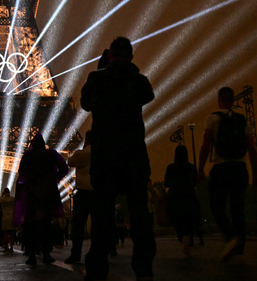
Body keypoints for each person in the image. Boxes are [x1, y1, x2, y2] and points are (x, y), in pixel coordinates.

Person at [81, 37, 156, 281]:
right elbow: (147, 96)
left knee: (102, 214)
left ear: (110, 55)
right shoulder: (139, 81)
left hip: (105, 156)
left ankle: (97, 267)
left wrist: (103, 69)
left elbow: (84, 103)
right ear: (131, 57)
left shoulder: (97, 78)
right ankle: (144, 267)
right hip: (133, 154)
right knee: (140, 212)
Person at [197, 86, 257, 263]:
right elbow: (252, 149)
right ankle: (239, 246)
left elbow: (205, 146)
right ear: (233, 101)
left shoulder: (212, 119)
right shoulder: (242, 120)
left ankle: (231, 236)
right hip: (240, 168)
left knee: (217, 206)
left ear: (219, 100)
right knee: (237, 208)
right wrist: (256, 175)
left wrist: (200, 169)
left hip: (221, 166)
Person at [13, 134, 69, 265]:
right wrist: (55, 178)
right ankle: (46, 254)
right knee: (46, 224)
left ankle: (31, 255)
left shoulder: (28, 156)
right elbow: (64, 168)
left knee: (30, 226)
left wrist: (20, 192)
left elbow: (21, 174)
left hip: (31, 193)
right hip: (48, 192)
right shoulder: (51, 154)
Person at [164, 145, 199, 257]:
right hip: (189, 196)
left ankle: (182, 238)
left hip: (175, 197)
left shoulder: (171, 168)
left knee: (177, 221)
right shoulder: (191, 167)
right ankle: (188, 237)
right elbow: (194, 182)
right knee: (189, 220)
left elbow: (166, 183)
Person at [65, 130, 93, 264]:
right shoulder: (103, 154)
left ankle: (76, 254)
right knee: (100, 224)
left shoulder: (80, 154)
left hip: (82, 193)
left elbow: (69, 162)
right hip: (97, 193)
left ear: (86, 140)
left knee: (78, 227)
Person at [0, 188, 16, 253]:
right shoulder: (13, 199)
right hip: (12, 217)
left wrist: (2, 195)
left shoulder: (2, 199)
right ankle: (12, 247)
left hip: (5, 218)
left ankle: (7, 247)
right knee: (12, 233)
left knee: (5, 233)